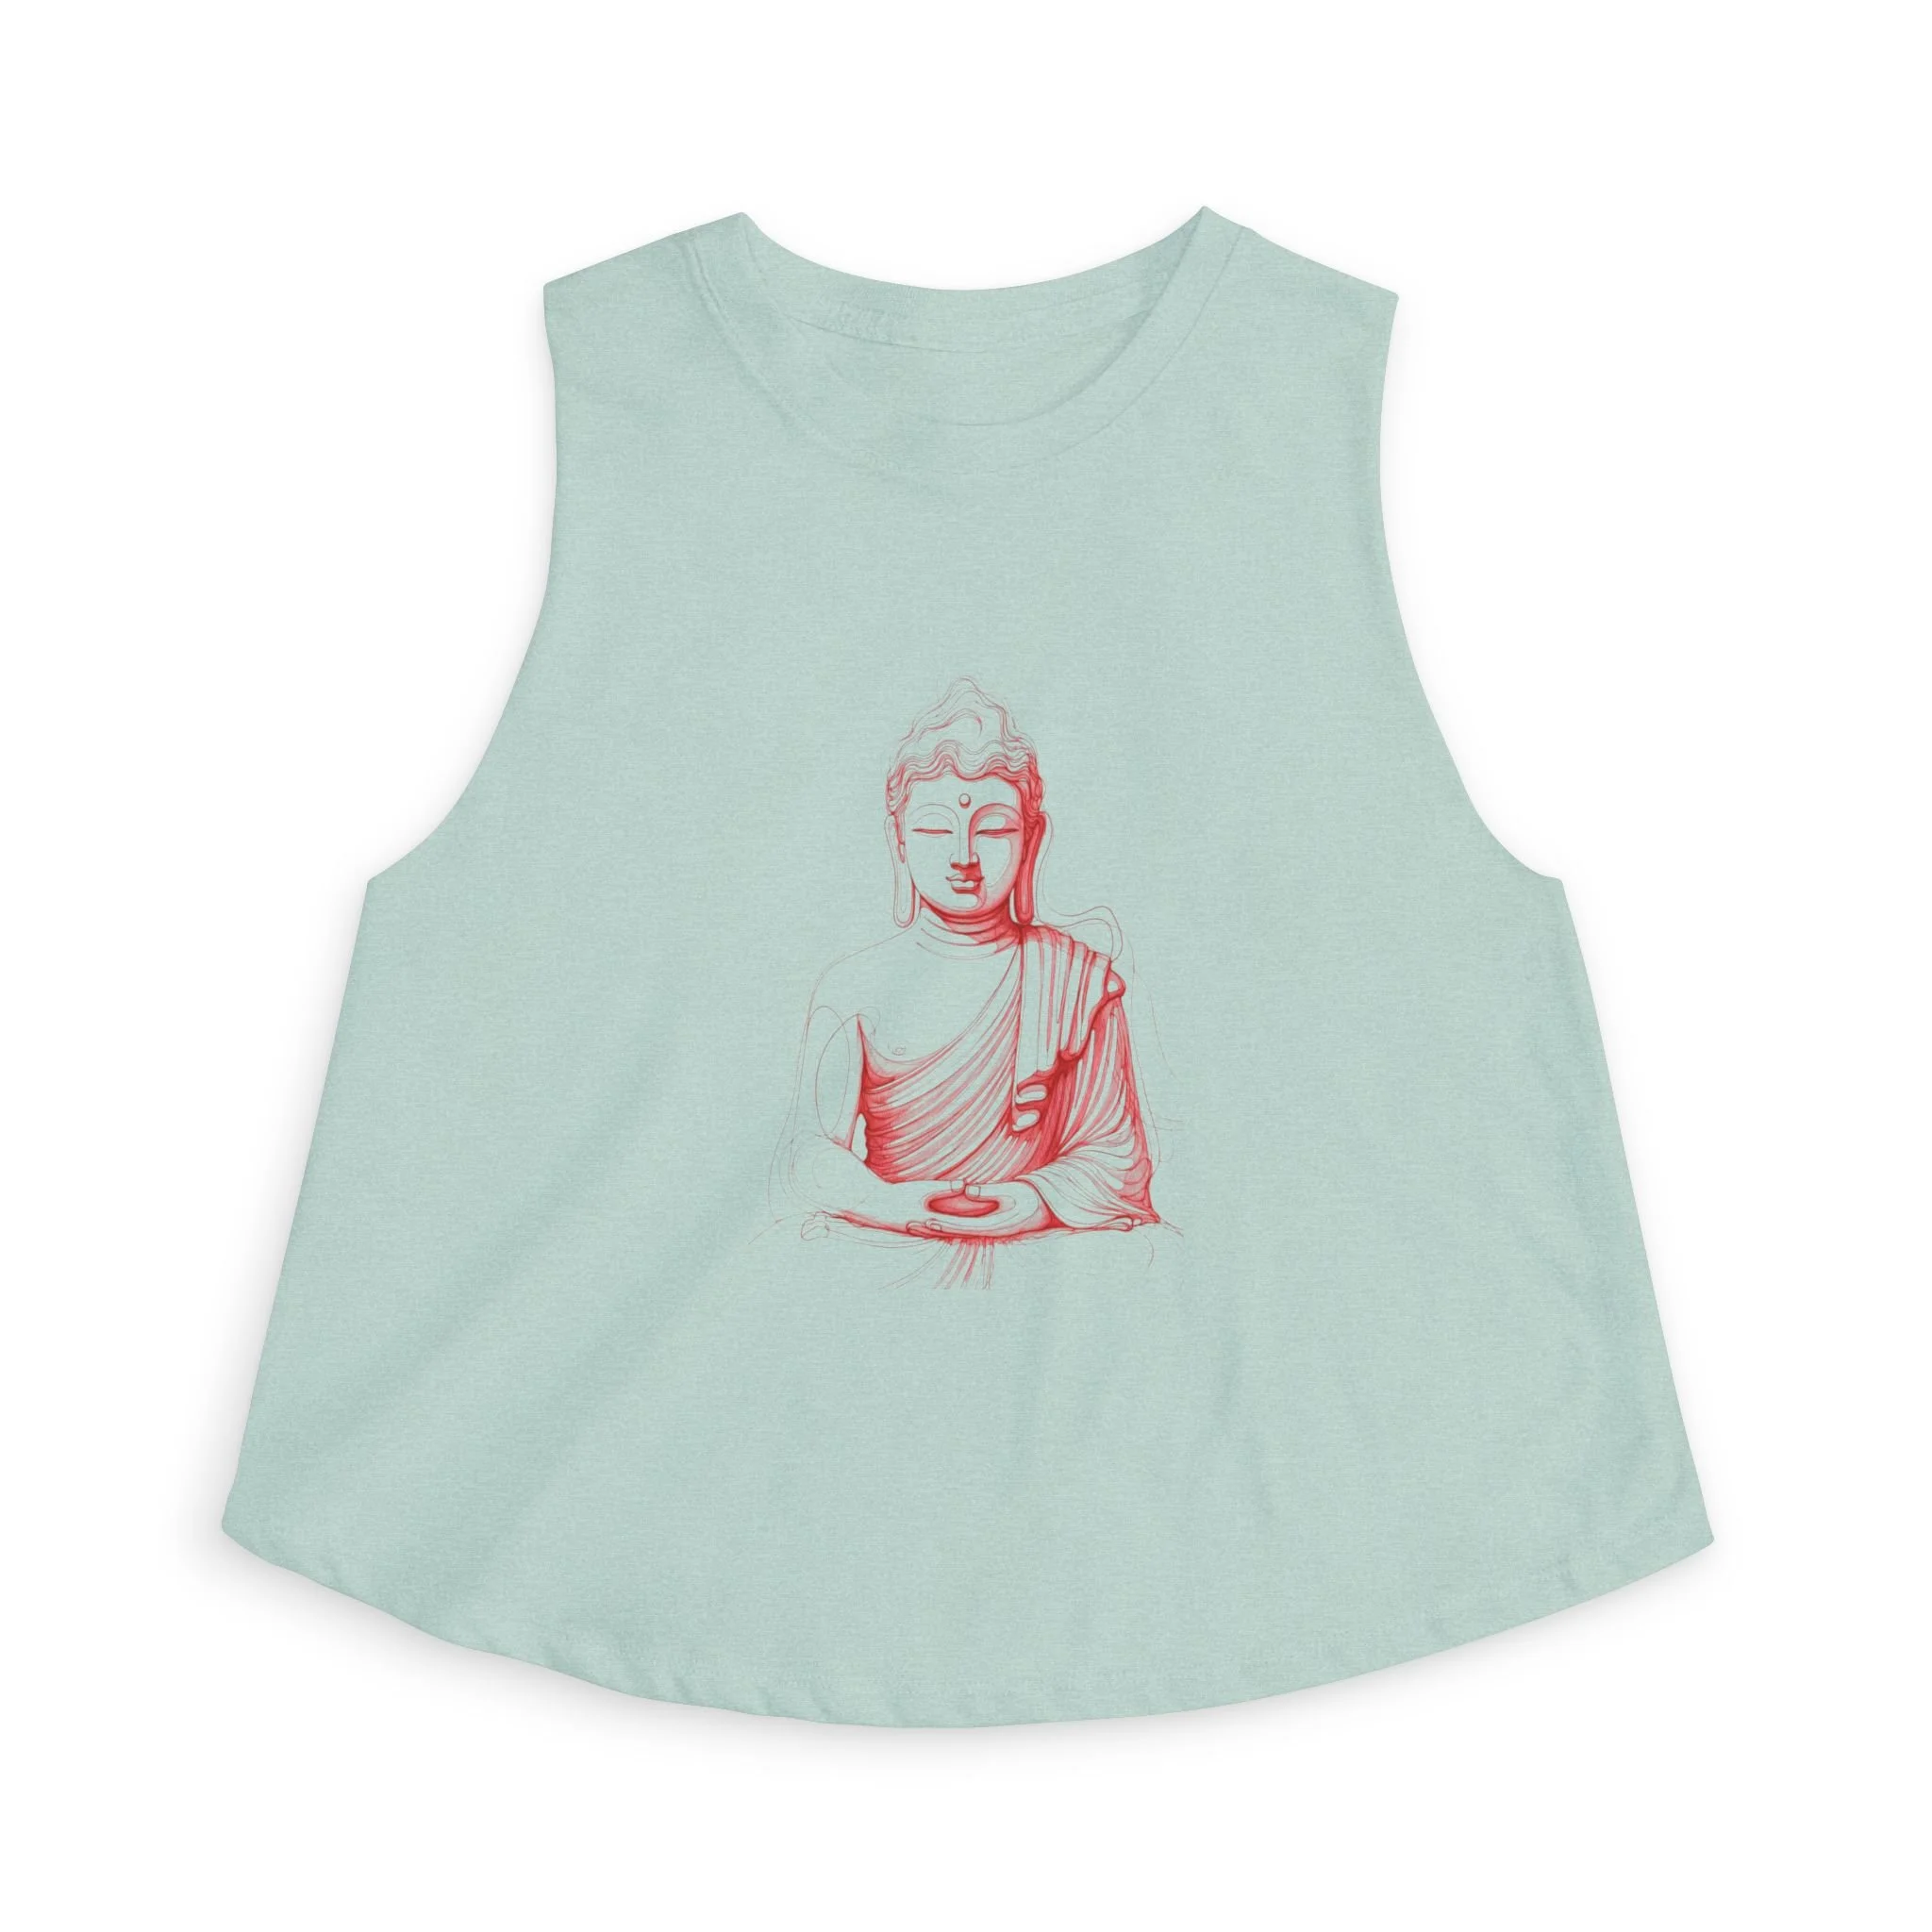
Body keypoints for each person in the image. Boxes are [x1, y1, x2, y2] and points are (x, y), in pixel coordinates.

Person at [774, 679, 1158, 1287]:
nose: (963, 856)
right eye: (934, 830)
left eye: (994, 830)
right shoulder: (854, 987)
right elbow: (809, 1153)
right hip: (887, 1248)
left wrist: (1031, 1201)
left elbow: (1117, 1159)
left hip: (1039, 1262)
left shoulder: (1077, 982)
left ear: (1033, 840)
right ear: (898, 842)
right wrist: (892, 1205)